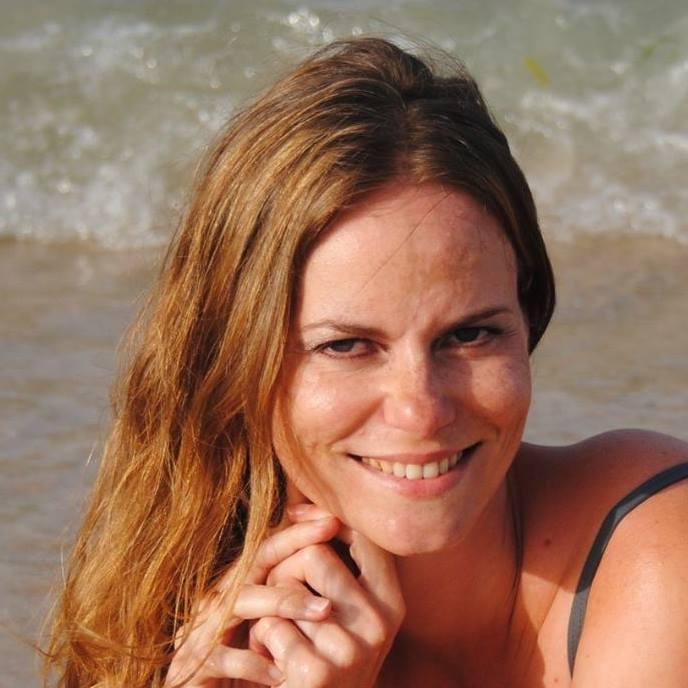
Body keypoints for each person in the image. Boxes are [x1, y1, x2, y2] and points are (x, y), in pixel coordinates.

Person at [43, 37, 688, 688]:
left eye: (469, 335)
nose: (420, 411)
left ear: (528, 319)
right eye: (346, 346)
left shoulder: (660, 552)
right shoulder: (189, 619)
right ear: (236, 359)